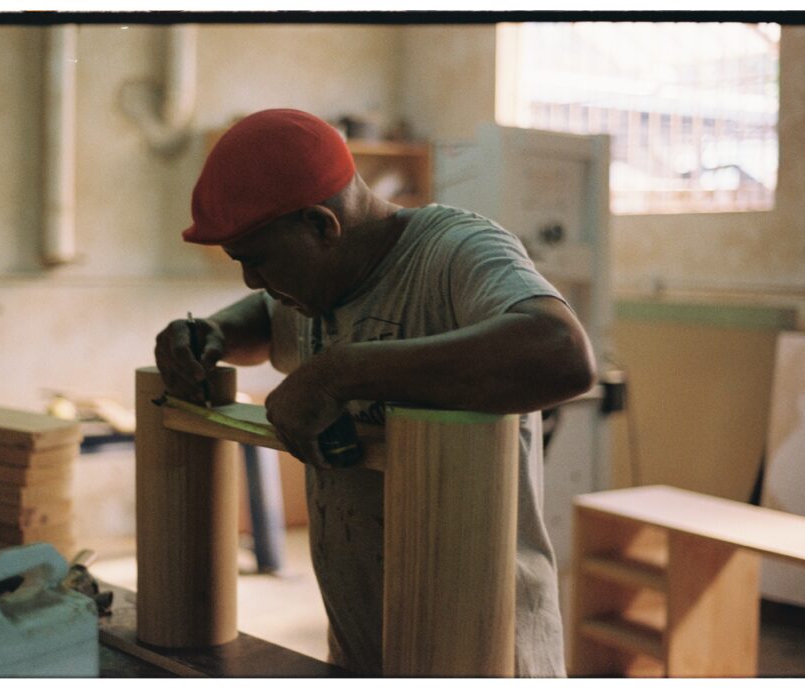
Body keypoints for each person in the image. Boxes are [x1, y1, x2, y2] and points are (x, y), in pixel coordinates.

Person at [154, 108, 596, 677]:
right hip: (365, 647)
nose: (251, 281)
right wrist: (212, 333)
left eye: (257, 261)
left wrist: (337, 373)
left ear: (321, 225)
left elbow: (562, 352)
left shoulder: (455, 253)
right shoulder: (315, 287)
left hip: (484, 649)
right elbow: (261, 315)